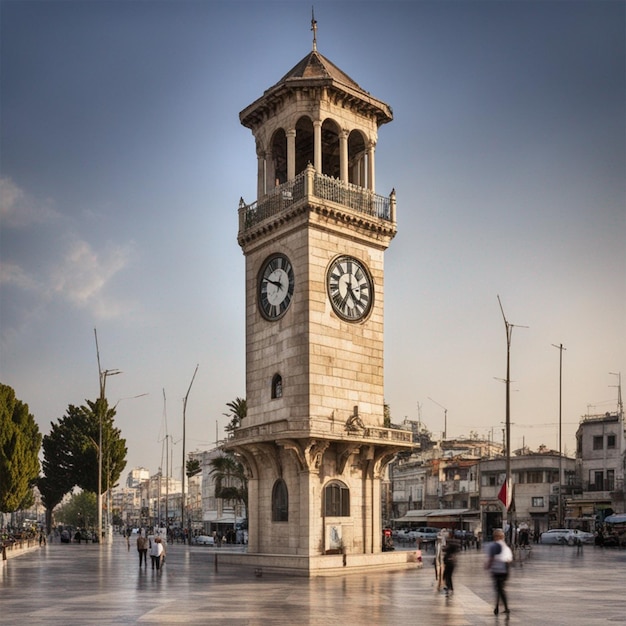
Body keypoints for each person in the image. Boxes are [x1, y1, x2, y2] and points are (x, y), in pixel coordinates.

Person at [485, 529, 513, 615]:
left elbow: (491, 558)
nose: (495, 538)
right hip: (502, 571)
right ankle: (497, 607)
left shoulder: (495, 546)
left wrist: (488, 565)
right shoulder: (506, 547)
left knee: (500, 589)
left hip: (498, 571)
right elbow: (509, 559)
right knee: (499, 589)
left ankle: (504, 608)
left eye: (496, 536)